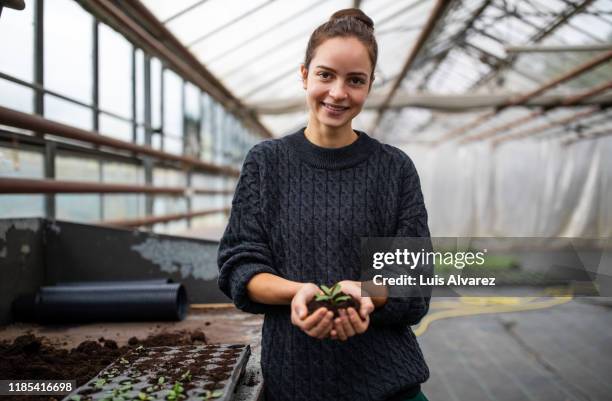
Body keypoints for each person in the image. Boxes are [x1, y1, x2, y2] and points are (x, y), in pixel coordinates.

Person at [218, 8, 430, 401]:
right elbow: (240, 266)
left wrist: (365, 293)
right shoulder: (267, 163)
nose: (338, 93)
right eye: (325, 75)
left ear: (369, 87)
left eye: (355, 81)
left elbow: (413, 283)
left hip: (389, 385)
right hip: (296, 384)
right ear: (304, 74)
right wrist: (300, 292)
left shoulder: (394, 168)